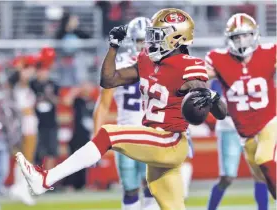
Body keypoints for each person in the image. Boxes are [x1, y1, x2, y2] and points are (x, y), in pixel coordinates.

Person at [16, 8, 227, 210]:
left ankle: (45, 179)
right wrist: (113, 47)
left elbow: (214, 109)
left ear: (175, 38)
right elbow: (108, 80)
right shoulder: (146, 60)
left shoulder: (190, 66)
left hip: (169, 140)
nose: (151, 40)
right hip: (155, 140)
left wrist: (211, 99)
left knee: (108, 133)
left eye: (157, 35)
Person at [205, 13, 276, 202]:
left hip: (268, 121)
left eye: (245, 35)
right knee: (255, 176)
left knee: (264, 159)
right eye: (237, 37)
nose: (242, 41)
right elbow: (198, 78)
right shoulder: (218, 60)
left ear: (255, 35)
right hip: (240, 131)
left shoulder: (269, 53)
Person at [93, 17, 159, 210]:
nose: (145, 46)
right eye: (140, 41)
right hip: (127, 134)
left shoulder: (161, 63)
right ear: (131, 41)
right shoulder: (119, 64)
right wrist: (97, 141)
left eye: (148, 41)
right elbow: (103, 105)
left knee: (153, 186)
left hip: (153, 133)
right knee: (130, 189)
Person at [207, 79, 268, 210]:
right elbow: (217, 106)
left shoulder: (251, 76)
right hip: (229, 129)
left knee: (260, 175)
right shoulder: (219, 81)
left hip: (251, 130)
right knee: (227, 177)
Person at [9, 55, 38, 205]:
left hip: (28, 123)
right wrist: (20, 68)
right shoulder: (17, 86)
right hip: (24, 124)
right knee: (25, 158)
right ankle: (22, 188)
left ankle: (19, 186)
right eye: (28, 68)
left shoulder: (28, 86)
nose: (31, 71)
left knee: (25, 158)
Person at [63, 81, 97, 190]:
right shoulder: (78, 100)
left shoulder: (93, 102)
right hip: (76, 134)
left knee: (85, 161)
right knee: (73, 159)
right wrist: (75, 91)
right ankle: (70, 184)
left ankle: (82, 184)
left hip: (87, 136)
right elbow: (66, 101)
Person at [30, 47, 59, 170]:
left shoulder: (53, 84)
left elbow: (58, 101)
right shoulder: (32, 84)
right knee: (36, 153)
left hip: (51, 122)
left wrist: (49, 96)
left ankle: (48, 181)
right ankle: (35, 179)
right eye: (41, 70)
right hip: (36, 123)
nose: (43, 73)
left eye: (45, 70)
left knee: (51, 152)